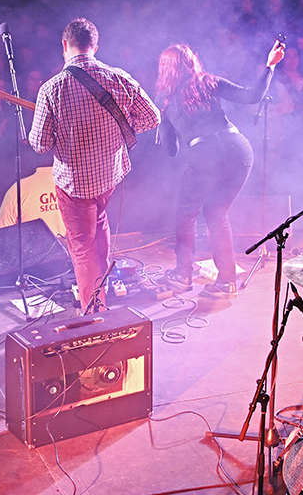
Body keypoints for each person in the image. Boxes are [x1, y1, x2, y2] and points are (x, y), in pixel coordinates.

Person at [28, 19, 160, 314]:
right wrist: (122, 128)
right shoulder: (119, 78)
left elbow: (39, 144)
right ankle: (102, 289)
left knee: (81, 246)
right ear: (95, 47)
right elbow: (153, 118)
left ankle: (94, 311)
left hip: (74, 184)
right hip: (109, 176)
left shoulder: (52, 89)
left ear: (64, 46)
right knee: (99, 223)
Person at [156, 39, 284, 297]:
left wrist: (164, 126)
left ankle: (182, 275)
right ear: (192, 63)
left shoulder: (165, 99)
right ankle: (226, 281)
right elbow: (252, 96)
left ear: (165, 69)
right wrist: (269, 66)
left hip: (205, 154)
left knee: (186, 214)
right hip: (239, 150)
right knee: (215, 212)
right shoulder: (209, 81)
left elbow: (171, 151)